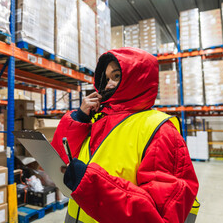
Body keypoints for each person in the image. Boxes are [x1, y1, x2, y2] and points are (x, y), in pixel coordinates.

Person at [51, 47, 199, 223]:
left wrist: (91, 185)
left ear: (138, 79)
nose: (108, 85)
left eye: (116, 76)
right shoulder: (98, 119)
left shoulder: (159, 130)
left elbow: (159, 215)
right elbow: (59, 163)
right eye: (106, 79)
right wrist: (79, 119)